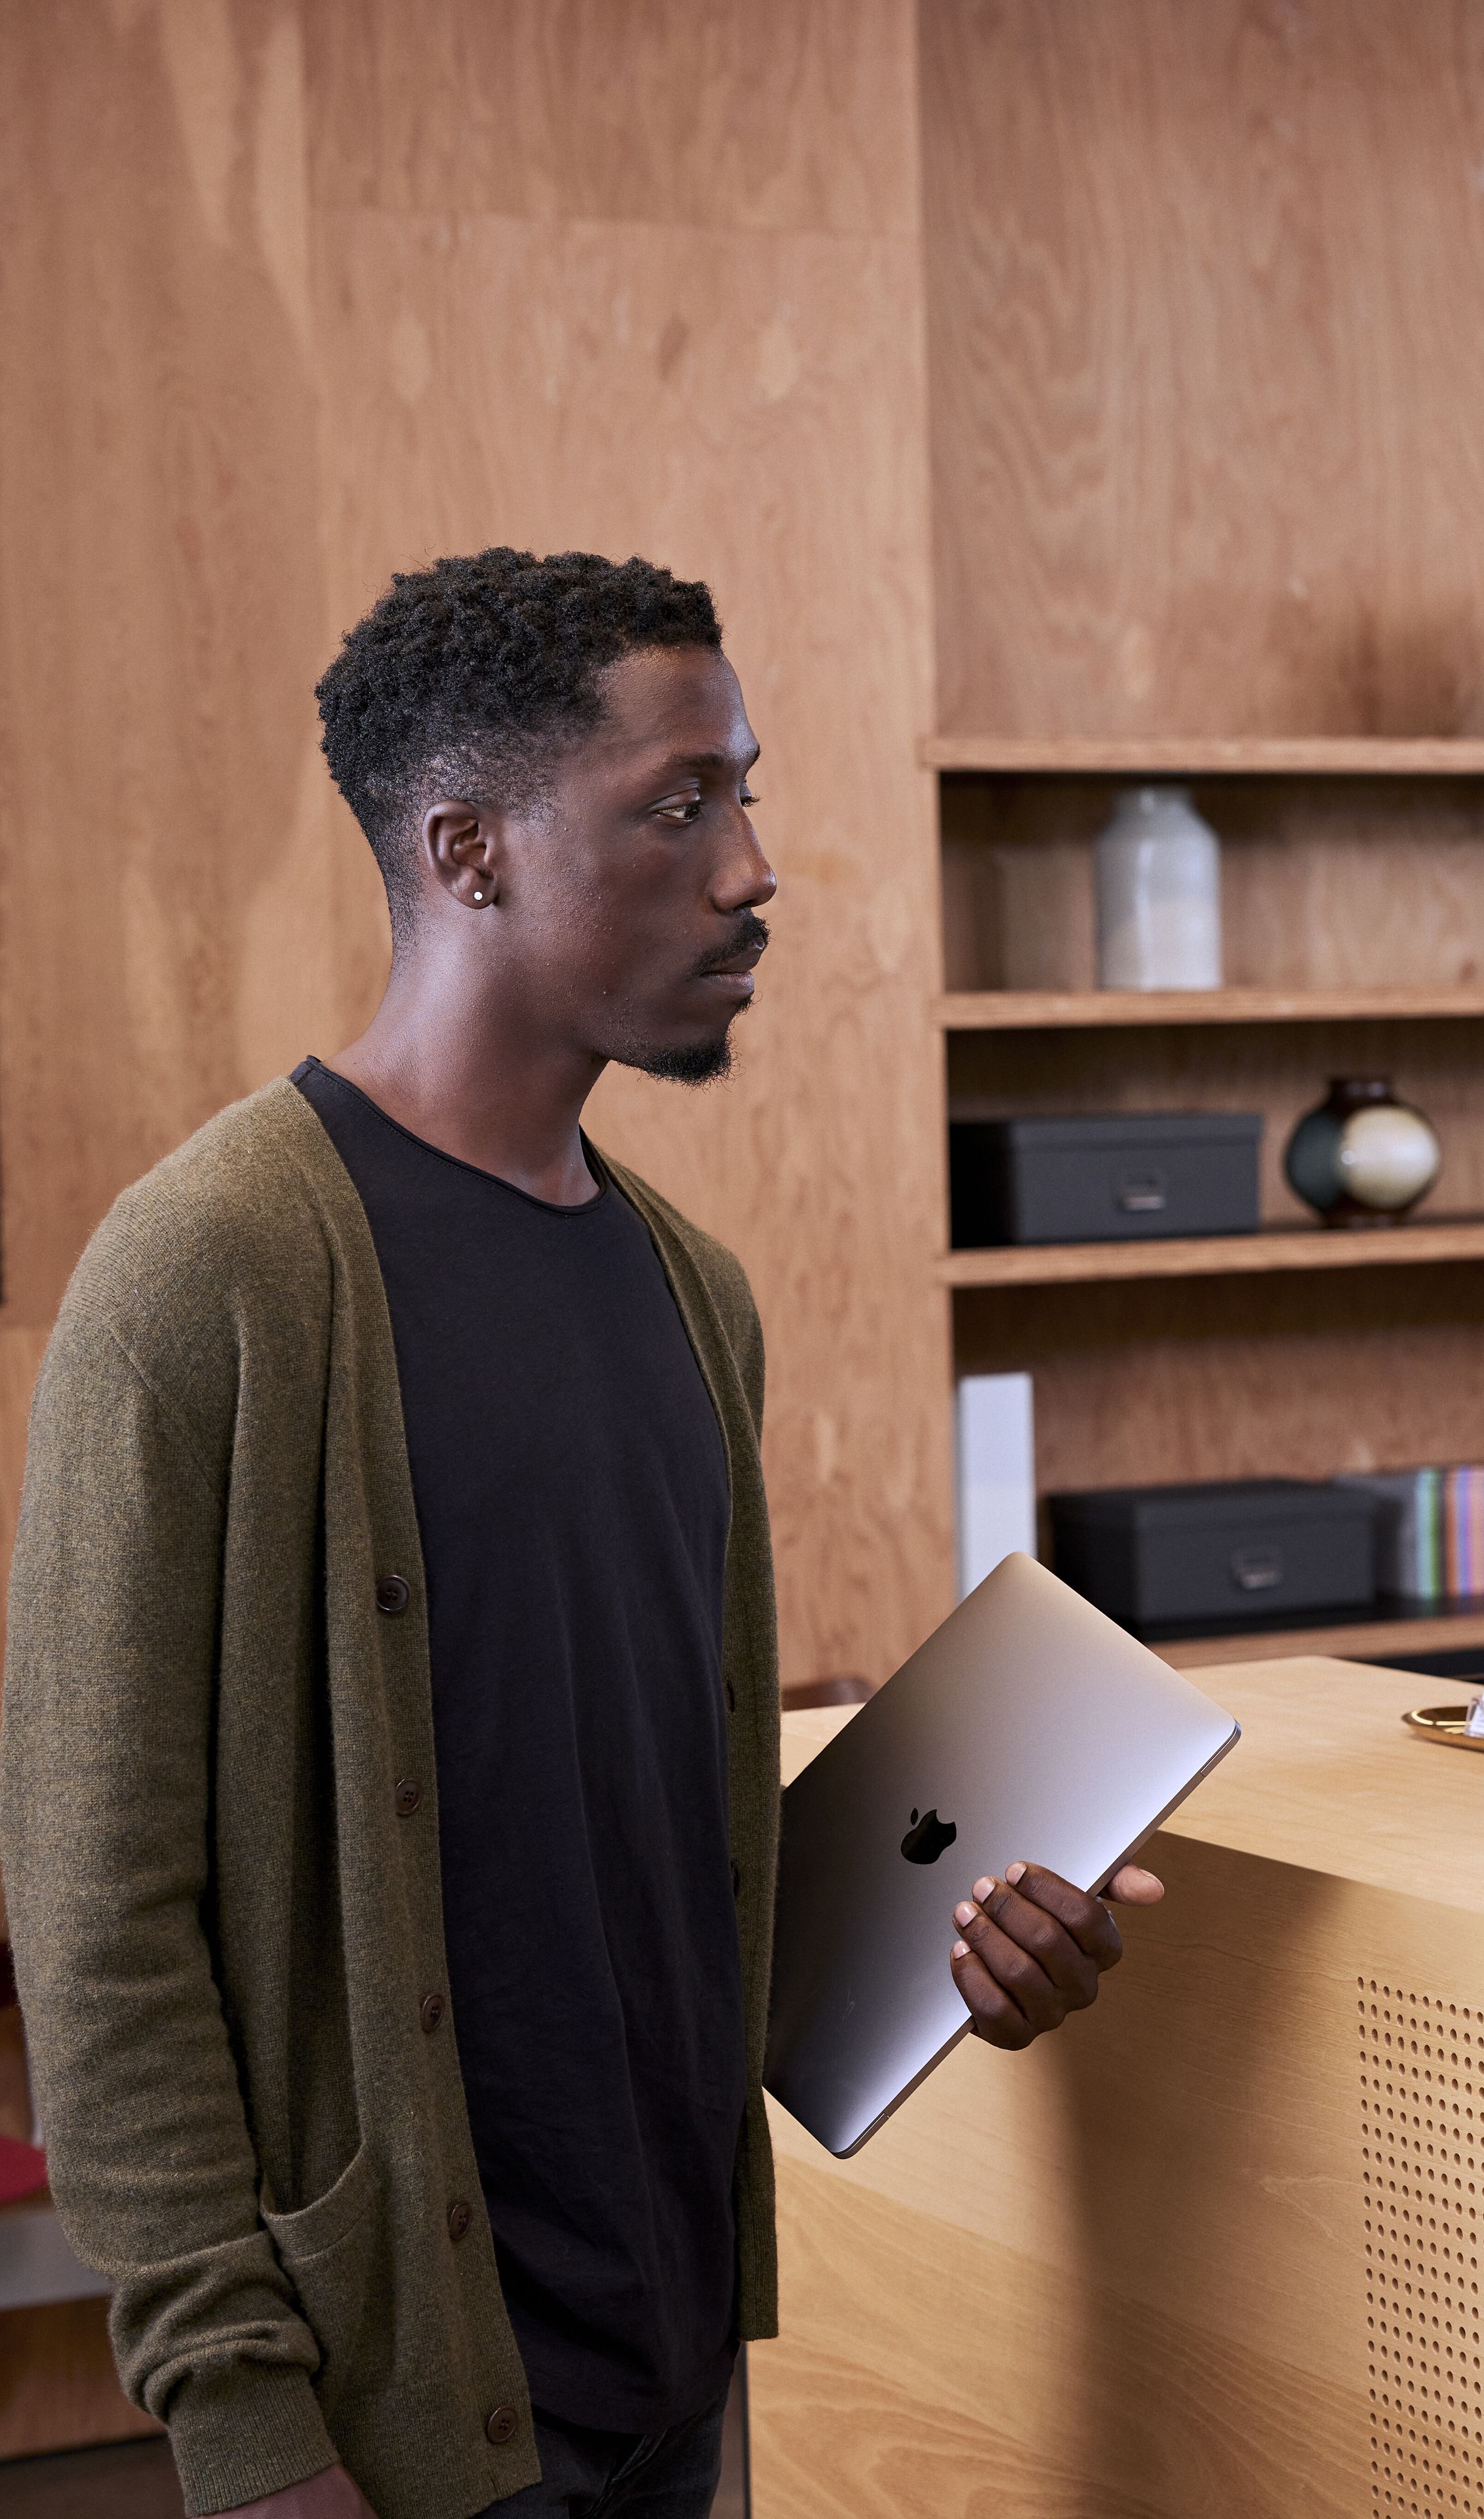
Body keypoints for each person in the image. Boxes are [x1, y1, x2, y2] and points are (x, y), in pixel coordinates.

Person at [0, 549, 1159, 2519]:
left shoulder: (697, 1298)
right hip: (391, 2425)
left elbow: (640, 1856)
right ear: (465, 850)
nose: (754, 866)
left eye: (750, 789)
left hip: (670, 2374)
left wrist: (965, 1951)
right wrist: (249, 2428)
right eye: (682, 803)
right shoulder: (211, 1270)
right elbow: (97, 1910)